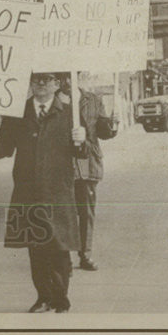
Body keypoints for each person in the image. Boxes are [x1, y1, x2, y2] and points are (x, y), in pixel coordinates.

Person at [0, 72, 86, 313]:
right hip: (28, 191)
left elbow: (83, 152)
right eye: (36, 79)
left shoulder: (70, 114)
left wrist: (82, 139)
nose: (40, 83)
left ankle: (61, 299)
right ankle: (43, 297)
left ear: (57, 84)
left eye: (47, 79)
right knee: (35, 248)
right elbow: (5, 147)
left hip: (58, 192)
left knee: (59, 248)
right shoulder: (17, 114)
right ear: (29, 82)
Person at [57, 78, 118, 271]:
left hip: (87, 164)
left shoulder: (92, 99)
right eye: (62, 76)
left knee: (86, 212)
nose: (66, 81)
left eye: (70, 76)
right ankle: (63, 256)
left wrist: (111, 124)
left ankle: (85, 254)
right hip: (61, 164)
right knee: (63, 213)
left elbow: (102, 132)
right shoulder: (52, 101)